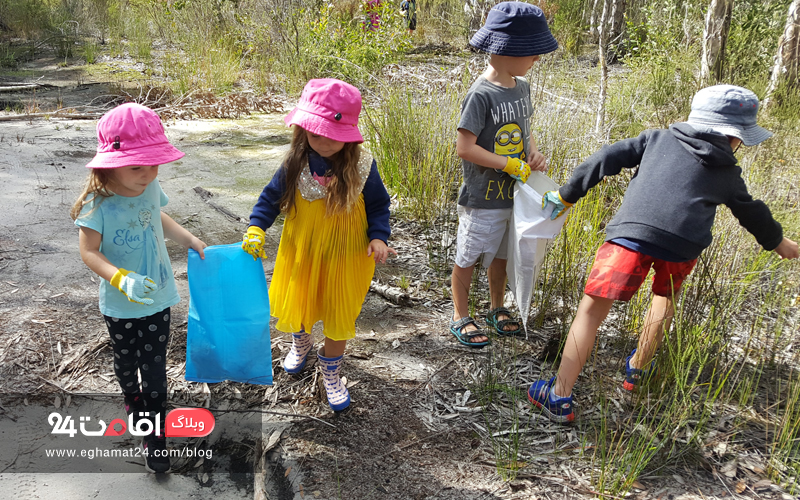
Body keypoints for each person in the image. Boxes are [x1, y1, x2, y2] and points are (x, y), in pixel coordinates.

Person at [528, 84, 800, 423]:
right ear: (735, 137)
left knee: (591, 312)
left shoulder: (655, 139)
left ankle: (559, 395)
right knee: (665, 297)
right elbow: (751, 211)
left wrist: (568, 194)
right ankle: (637, 371)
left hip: (631, 237)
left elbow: (606, 158)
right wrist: (778, 242)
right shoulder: (728, 173)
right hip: (682, 247)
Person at [242, 78, 395, 412]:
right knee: (301, 300)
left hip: (345, 256)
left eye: (333, 135)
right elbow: (269, 199)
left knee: (338, 313)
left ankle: (332, 371)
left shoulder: (363, 166)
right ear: (302, 130)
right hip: (302, 252)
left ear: (349, 135)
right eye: (315, 133)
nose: (323, 141)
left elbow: (379, 205)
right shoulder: (295, 163)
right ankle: (301, 343)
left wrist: (378, 237)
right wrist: (256, 228)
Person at [71, 103, 208, 471]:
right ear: (110, 163)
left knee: (156, 366)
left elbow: (158, 216)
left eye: (154, 164)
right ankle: (131, 396)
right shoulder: (97, 204)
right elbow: (89, 252)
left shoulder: (149, 186)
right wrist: (120, 277)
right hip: (120, 303)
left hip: (158, 296)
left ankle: (154, 434)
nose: (148, 174)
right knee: (126, 360)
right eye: (137, 166)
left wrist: (189, 238)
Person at [450, 2, 556, 347]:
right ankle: (460, 315)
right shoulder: (480, 94)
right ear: (507, 51)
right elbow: (465, 147)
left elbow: (525, 131)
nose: (536, 59)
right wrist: (506, 164)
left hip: (515, 196)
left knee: (502, 254)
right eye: (531, 52)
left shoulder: (522, 88)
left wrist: (532, 153)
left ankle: (497, 307)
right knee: (469, 254)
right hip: (483, 198)